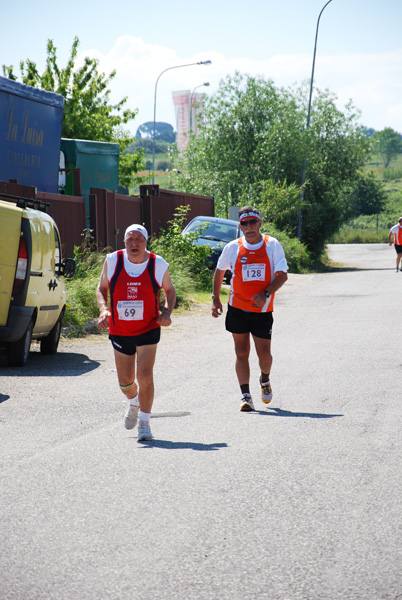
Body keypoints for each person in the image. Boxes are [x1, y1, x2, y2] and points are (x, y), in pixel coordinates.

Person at [96, 224, 176, 441]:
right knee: (125, 381)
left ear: (146, 242)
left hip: (148, 328)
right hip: (120, 330)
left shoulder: (157, 264)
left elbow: (170, 290)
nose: (134, 243)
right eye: (129, 239)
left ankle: (145, 423)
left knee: (145, 375)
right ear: (124, 243)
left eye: (138, 239)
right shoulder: (113, 261)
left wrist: (167, 311)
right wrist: (104, 310)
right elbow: (101, 288)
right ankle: (134, 403)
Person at [211, 206, 288, 412]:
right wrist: (215, 298)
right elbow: (219, 271)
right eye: (244, 223)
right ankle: (245, 396)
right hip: (237, 308)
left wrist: (265, 294)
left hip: (262, 311)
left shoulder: (271, 245)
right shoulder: (233, 247)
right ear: (240, 226)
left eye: (252, 222)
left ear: (259, 223)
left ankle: (264, 379)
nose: (249, 227)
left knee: (264, 356)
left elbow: (282, 275)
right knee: (241, 352)